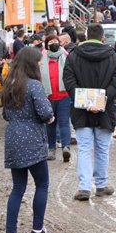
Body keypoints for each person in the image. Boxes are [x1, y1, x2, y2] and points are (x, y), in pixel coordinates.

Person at [0, 47, 57, 233]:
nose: (41, 65)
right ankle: (37, 230)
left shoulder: (9, 84)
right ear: (32, 64)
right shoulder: (34, 86)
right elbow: (45, 112)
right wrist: (50, 118)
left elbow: (5, 115)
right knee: (42, 184)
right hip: (32, 137)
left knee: (18, 188)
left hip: (13, 137)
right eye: (39, 62)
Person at [64, 24, 116, 201]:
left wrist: (83, 100)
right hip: (105, 110)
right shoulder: (113, 57)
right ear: (103, 37)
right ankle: (101, 184)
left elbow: (68, 80)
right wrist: (102, 100)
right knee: (102, 148)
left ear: (87, 36)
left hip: (81, 110)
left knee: (84, 148)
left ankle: (84, 187)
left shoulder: (74, 56)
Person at [41, 33, 72, 163]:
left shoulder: (66, 56)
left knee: (64, 122)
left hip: (64, 95)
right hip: (48, 96)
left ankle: (66, 147)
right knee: (50, 124)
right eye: (50, 41)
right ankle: (51, 149)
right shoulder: (41, 58)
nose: (53, 43)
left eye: (55, 40)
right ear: (46, 45)